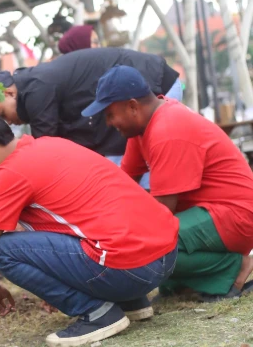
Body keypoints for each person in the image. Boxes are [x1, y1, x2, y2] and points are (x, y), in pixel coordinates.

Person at [0, 110, 178, 347]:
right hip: (166, 255)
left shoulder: (11, 173)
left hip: (131, 270)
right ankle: (132, 302)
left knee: (3, 251)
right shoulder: (52, 144)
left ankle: (98, 313)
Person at [82, 65, 253, 301]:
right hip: (209, 215)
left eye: (110, 115)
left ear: (133, 106)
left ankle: (234, 266)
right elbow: (123, 185)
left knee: (148, 242)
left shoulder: (167, 129)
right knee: (139, 238)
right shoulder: (142, 128)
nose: (109, 123)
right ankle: (185, 282)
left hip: (236, 215)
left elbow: (160, 214)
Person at [0, 47, 182, 189]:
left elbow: (46, 152)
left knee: (149, 180)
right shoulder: (36, 84)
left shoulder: (36, 87)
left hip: (153, 87)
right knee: (123, 178)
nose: (8, 121)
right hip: (136, 101)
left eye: (3, 114)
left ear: (9, 93)